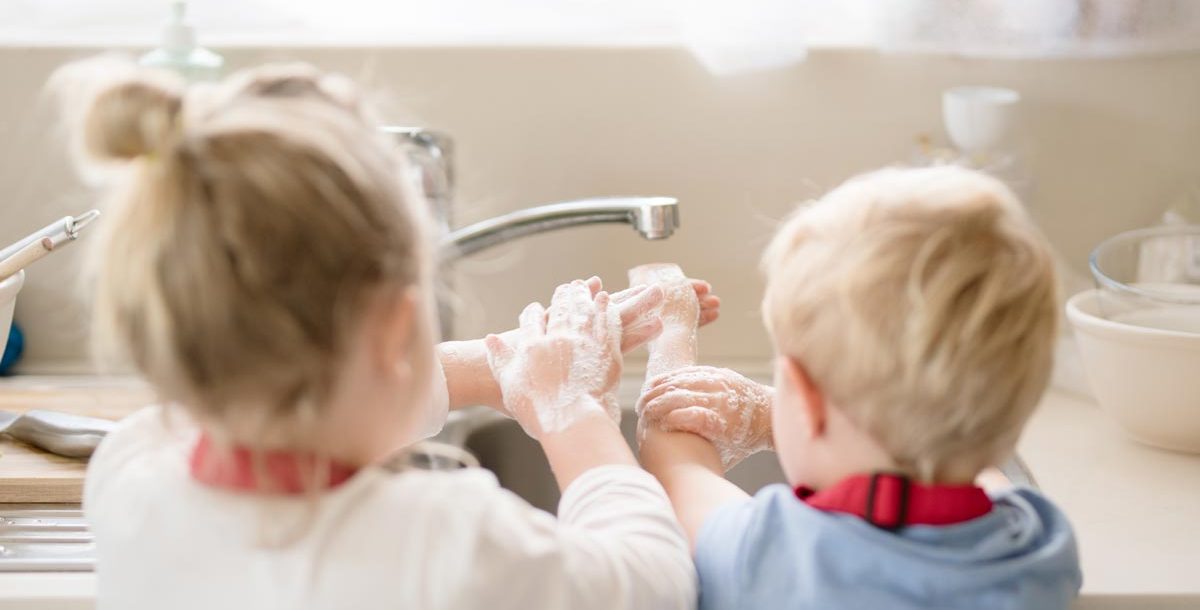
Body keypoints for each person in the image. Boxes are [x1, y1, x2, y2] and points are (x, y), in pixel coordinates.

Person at [56, 57, 718, 610]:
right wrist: (572, 412)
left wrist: (494, 368)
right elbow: (652, 581)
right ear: (398, 322)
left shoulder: (130, 476)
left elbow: (282, 398)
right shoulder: (446, 543)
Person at [637, 166, 1083, 609]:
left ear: (806, 400)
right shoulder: (1040, 544)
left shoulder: (774, 556)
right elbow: (966, 453)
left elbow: (679, 473)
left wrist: (672, 328)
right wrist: (776, 416)